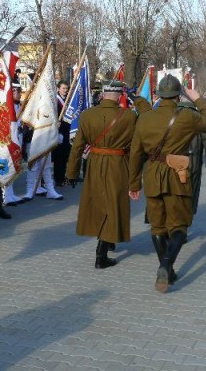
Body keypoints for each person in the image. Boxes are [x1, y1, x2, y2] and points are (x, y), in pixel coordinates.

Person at [128, 75, 206, 293]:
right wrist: (197, 99)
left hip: (152, 175)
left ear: (159, 95)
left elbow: (135, 154)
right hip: (177, 175)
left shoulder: (145, 118)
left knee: (157, 226)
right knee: (179, 225)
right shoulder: (187, 115)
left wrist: (134, 184)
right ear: (178, 95)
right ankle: (166, 265)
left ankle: (167, 270)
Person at [67, 80, 137, 269]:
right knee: (113, 205)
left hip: (95, 164)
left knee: (99, 204)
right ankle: (101, 253)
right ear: (120, 95)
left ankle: (109, 240)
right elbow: (135, 148)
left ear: (103, 94)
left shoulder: (87, 115)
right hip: (119, 164)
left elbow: (78, 146)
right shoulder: (129, 116)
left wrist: (72, 173)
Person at [52, 80, 71, 186]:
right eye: (63, 88)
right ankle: (57, 178)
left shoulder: (67, 100)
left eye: (66, 88)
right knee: (58, 157)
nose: (65, 90)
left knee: (65, 155)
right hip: (58, 131)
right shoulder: (55, 100)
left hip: (66, 131)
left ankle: (62, 176)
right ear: (58, 88)